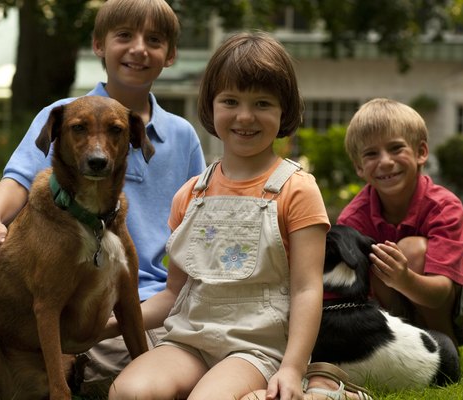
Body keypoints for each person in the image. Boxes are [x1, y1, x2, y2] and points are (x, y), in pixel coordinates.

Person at [0, 0, 206, 395]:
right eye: (124, 36)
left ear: (171, 54)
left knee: (202, 344)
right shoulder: (63, 114)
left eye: (154, 40)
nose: (139, 49)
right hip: (88, 311)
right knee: (125, 362)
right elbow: (19, 179)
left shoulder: (181, 135)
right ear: (99, 45)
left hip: (163, 299)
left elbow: (200, 216)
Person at [109, 31, 330, 400]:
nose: (245, 116)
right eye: (230, 101)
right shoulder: (191, 194)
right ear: (211, 106)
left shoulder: (297, 189)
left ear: (284, 111)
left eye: (262, 103)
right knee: (127, 391)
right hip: (189, 340)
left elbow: (307, 289)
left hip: (256, 348)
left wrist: (292, 367)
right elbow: (172, 294)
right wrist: (107, 326)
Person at [338, 98, 463, 349]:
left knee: (411, 250)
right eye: (371, 153)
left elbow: (440, 293)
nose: (385, 161)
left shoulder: (444, 207)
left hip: (461, 304)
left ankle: (445, 348)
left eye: (395, 148)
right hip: (395, 300)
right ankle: (405, 347)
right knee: (378, 260)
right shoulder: (352, 219)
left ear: (421, 153)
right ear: (359, 167)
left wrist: (403, 279)